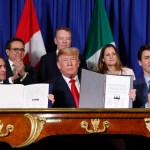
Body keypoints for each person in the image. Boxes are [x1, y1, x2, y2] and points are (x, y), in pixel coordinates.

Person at [97, 43, 136, 150]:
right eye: (107, 55)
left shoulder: (128, 72)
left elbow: (135, 95)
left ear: (117, 56)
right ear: (103, 59)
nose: (111, 57)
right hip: (107, 117)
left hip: (126, 115)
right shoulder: (99, 76)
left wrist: (134, 96)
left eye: (113, 54)